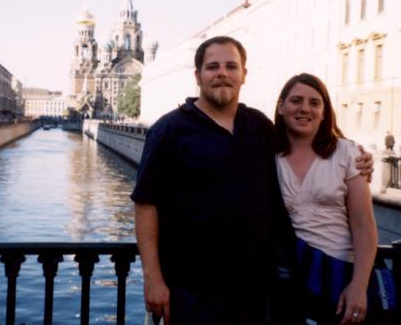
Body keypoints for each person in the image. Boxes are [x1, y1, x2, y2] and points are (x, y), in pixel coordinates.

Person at [131, 36, 373, 325]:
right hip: (191, 289)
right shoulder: (169, 129)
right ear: (198, 76)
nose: (222, 73)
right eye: (213, 67)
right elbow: (146, 204)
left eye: (231, 66)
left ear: (243, 74)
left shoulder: (258, 126)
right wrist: (153, 277)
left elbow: (302, 142)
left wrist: (356, 158)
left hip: (253, 290)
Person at [273, 73, 378, 324]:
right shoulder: (266, 153)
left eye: (314, 103)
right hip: (286, 276)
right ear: (281, 106)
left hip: (338, 276)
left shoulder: (346, 153)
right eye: (296, 100)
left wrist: (358, 285)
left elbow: (364, 226)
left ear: (324, 111)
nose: (305, 109)